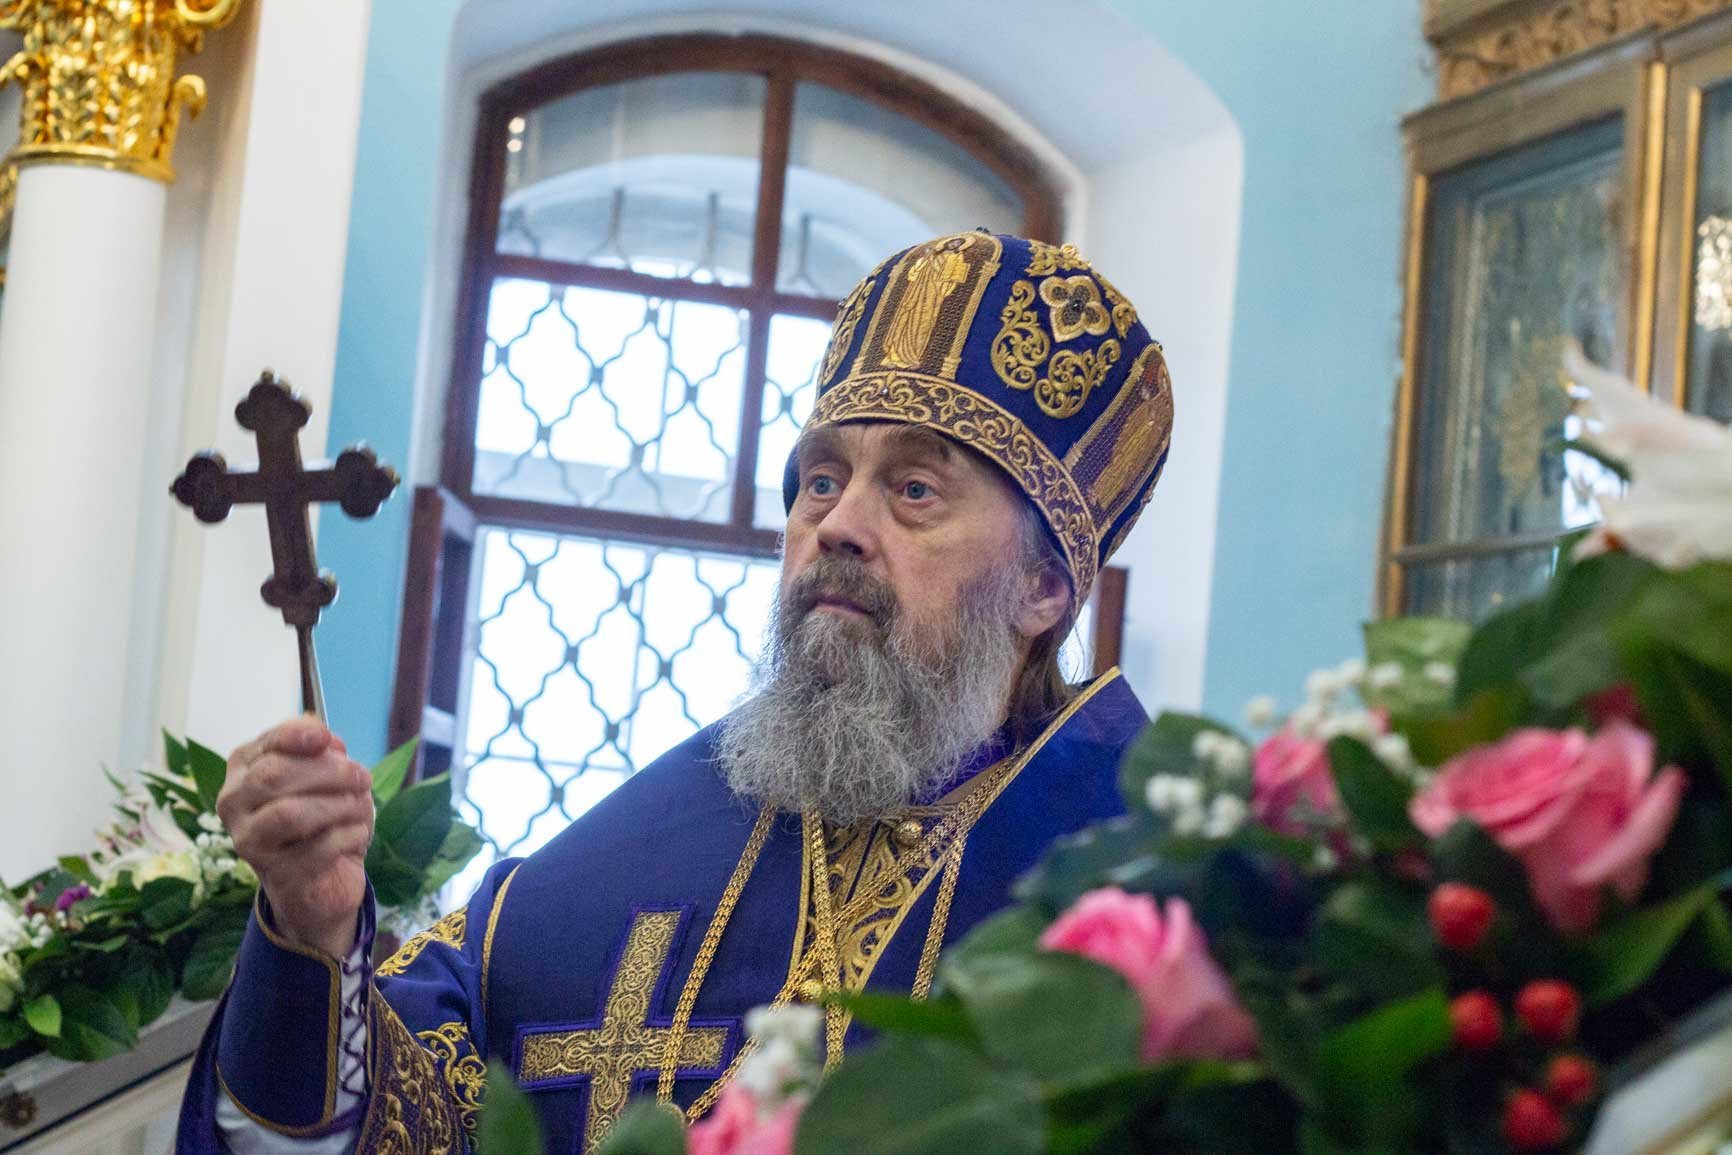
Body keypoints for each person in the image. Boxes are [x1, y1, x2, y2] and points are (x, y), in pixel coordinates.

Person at [178, 231, 1175, 1154]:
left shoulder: (1161, 897)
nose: (836, 524)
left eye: (914, 490)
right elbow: (389, 1119)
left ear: (1043, 589)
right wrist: (311, 933)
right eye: (820, 481)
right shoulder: (593, 878)